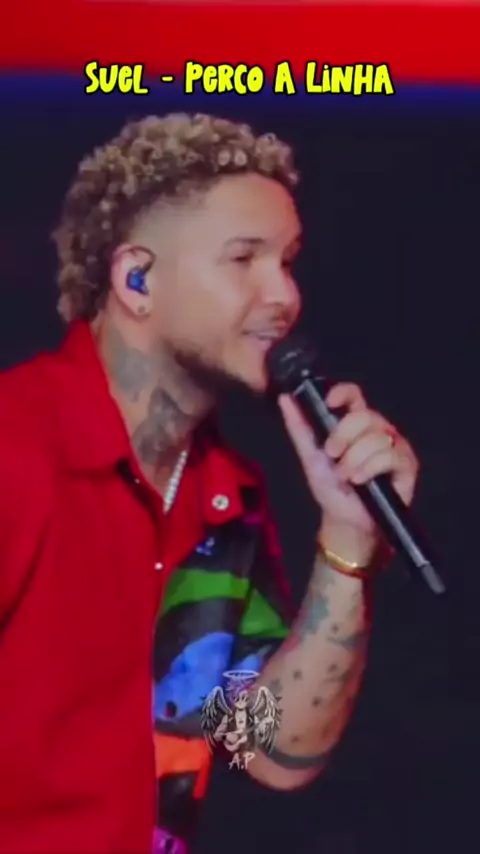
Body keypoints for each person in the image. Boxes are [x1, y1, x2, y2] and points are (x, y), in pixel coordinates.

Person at [0, 113, 419, 854]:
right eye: (244, 258)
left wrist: (348, 540)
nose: (283, 295)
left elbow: (268, 747)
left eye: (287, 261)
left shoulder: (228, 495)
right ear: (137, 279)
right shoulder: (17, 448)